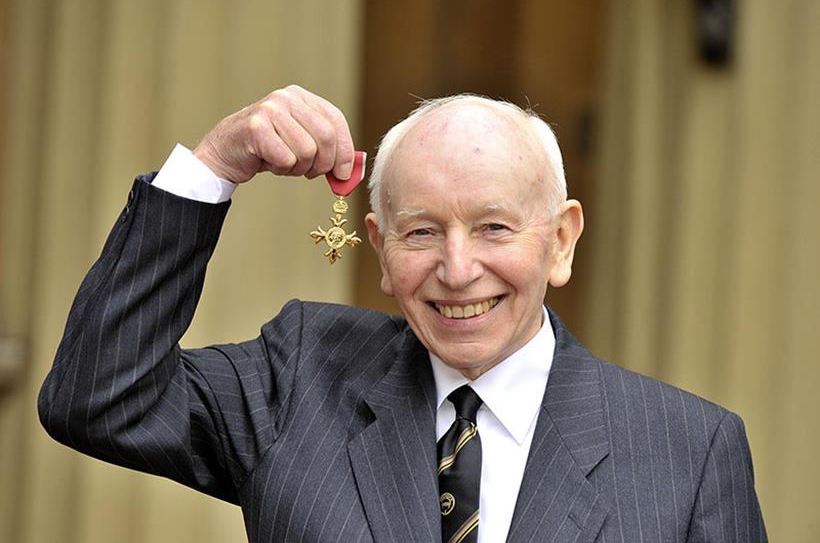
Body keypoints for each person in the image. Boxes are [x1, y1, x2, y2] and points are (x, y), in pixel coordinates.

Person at [39, 85, 766, 542]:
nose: (456, 269)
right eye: (422, 231)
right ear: (382, 252)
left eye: (494, 227)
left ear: (562, 240)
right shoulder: (299, 376)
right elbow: (99, 398)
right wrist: (216, 165)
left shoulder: (688, 451)